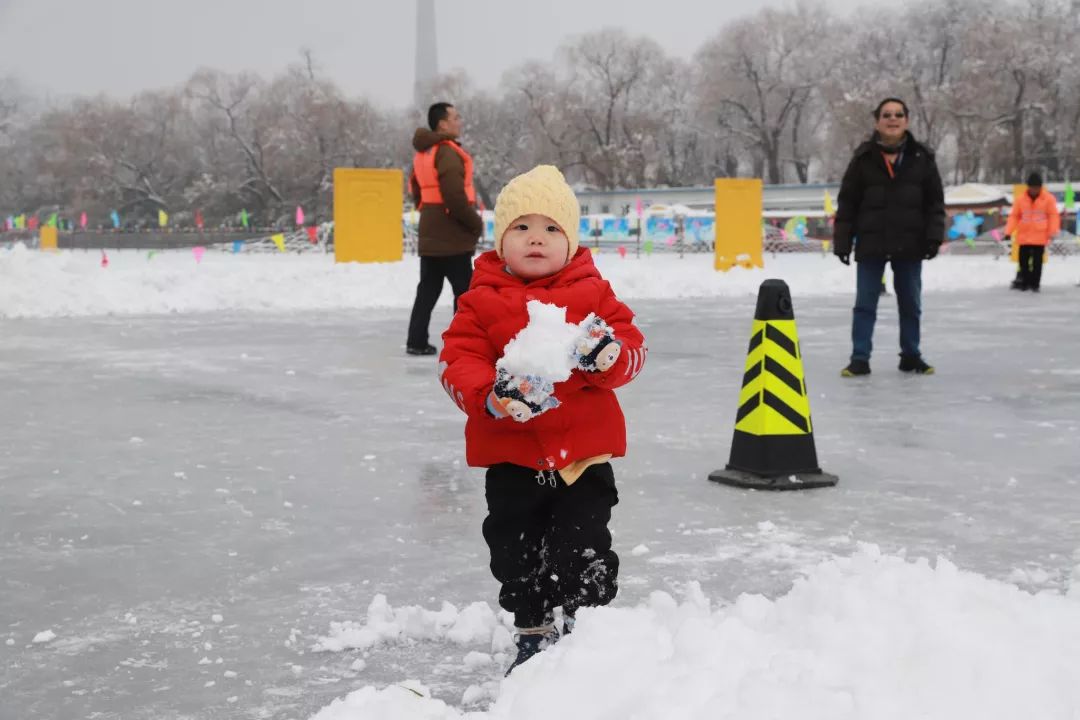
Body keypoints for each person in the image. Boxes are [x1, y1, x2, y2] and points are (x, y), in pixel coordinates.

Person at [438, 165, 647, 674]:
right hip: (512, 455)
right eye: (522, 227)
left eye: (552, 228)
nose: (537, 238)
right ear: (501, 240)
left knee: (586, 545)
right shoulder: (479, 300)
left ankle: (586, 626)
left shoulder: (594, 294)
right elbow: (456, 361)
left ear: (571, 241)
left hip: (583, 456)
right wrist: (492, 395)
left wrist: (609, 357)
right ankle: (532, 627)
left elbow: (634, 350)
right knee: (515, 548)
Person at [833, 97, 945, 377]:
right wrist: (843, 241)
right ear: (877, 121)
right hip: (872, 241)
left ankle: (910, 355)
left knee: (910, 303)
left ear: (906, 121)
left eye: (898, 115)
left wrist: (933, 237)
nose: (892, 119)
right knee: (865, 304)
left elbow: (934, 204)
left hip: (910, 242)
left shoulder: (922, 158)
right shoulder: (862, 159)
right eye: (886, 115)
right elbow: (847, 203)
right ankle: (860, 358)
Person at [406, 102, 483, 356]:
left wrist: (429, 212)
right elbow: (454, 196)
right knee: (465, 292)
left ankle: (416, 341)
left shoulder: (423, 153)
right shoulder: (447, 152)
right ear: (442, 123)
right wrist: (475, 223)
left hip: (431, 231)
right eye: (455, 117)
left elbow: (415, 189)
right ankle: (463, 345)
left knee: (427, 290)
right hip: (452, 235)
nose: (459, 121)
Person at [1005, 172, 1060, 292]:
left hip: (1039, 237)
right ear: (1028, 187)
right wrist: (1008, 231)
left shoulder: (1048, 199)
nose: (1034, 190)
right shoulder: (1020, 199)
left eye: (1036, 187)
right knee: (1023, 262)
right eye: (1032, 187)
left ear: (1040, 187)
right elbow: (1014, 216)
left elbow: (1053, 216)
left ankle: (1035, 284)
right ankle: (1024, 282)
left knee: (1037, 263)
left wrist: (1052, 231)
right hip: (1024, 236)